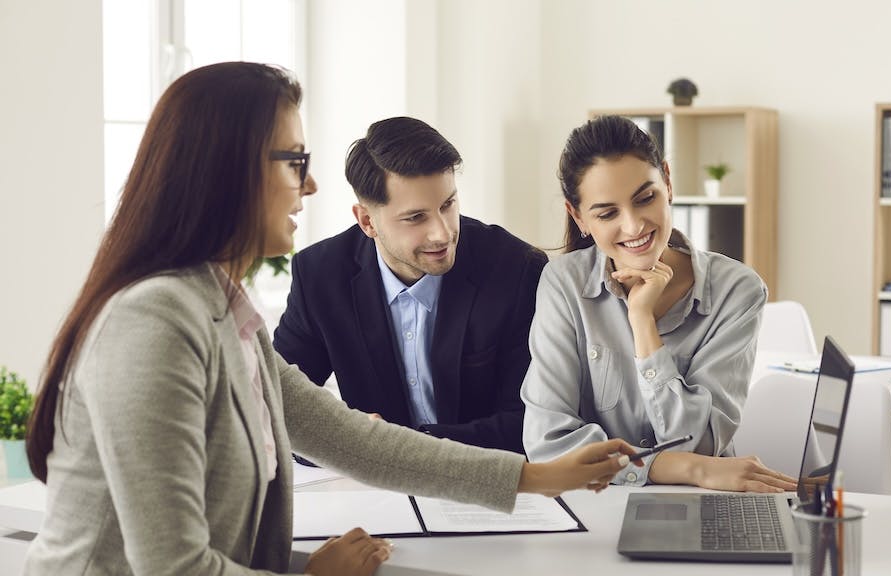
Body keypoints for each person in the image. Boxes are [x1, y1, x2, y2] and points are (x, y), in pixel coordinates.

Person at [22, 63, 635, 576]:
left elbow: (351, 439)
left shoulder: (223, 309)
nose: (309, 185)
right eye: (293, 161)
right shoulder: (154, 321)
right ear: (226, 173)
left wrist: (537, 476)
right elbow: (174, 569)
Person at [521, 115, 796, 492]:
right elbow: (549, 446)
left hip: (703, 502)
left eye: (645, 198)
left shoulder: (738, 290)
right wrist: (686, 468)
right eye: (607, 213)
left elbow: (701, 443)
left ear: (667, 181)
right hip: (597, 505)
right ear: (578, 217)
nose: (634, 227)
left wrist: (642, 322)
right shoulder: (563, 284)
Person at [273, 116, 546, 453]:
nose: (443, 233)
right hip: (375, 491)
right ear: (367, 221)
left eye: (448, 205)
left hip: (490, 484)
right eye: (416, 217)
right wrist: (346, 438)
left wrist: (397, 447)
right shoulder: (319, 276)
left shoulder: (516, 269)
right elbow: (276, 410)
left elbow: (531, 422)